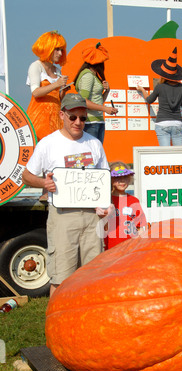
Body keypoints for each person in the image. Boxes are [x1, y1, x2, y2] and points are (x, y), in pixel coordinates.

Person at [22, 93, 110, 297]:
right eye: (73, 117)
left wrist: (106, 205)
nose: (78, 122)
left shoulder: (95, 144)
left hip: (92, 217)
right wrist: (44, 182)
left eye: (83, 118)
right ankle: (55, 324)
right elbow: (26, 176)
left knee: (93, 274)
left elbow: (104, 179)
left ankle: (89, 321)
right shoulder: (48, 143)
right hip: (62, 216)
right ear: (62, 114)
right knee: (61, 277)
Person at [136, 47, 182, 146]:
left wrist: (142, 90)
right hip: (177, 123)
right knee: (180, 156)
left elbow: (149, 100)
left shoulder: (160, 87)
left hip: (162, 123)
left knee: (164, 155)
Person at [26, 31, 69, 141]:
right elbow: (35, 93)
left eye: (61, 50)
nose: (60, 53)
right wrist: (57, 84)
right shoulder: (36, 66)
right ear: (48, 48)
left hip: (56, 119)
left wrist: (63, 90)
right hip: (39, 119)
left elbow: (57, 98)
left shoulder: (57, 70)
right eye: (57, 49)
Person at [74, 41, 118, 144]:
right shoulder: (88, 76)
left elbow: (97, 101)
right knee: (92, 155)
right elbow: (83, 101)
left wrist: (107, 91)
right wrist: (105, 109)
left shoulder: (92, 76)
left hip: (96, 121)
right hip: (90, 122)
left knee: (96, 154)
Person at [98, 161, 147, 250]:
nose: (122, 180)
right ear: (110, 179)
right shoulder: (105, 200)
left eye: (125, 177)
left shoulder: (134, 201)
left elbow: (139, 227)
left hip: (130, 248)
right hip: (109, 248)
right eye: (117, 177)